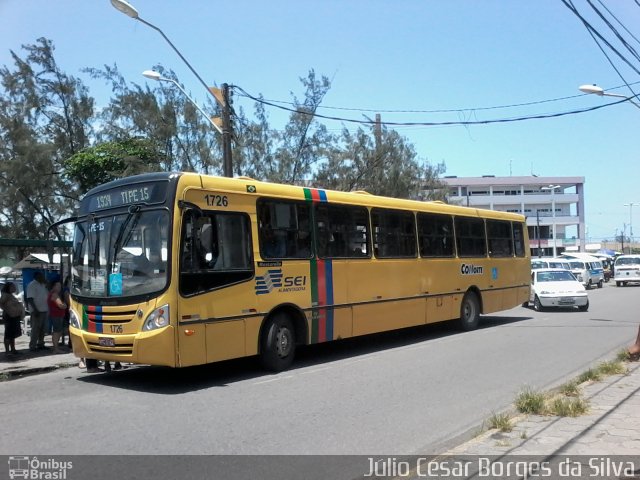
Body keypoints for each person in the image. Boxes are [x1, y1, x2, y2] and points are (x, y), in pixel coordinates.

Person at [26, 272, 49, 351]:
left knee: (43, 329)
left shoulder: (43, 285)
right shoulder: (32, 285)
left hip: (44, 310)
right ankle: (32, 346)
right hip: (37, 311)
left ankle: (41, 344)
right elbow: (30, 298)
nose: (43, 277)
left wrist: (47, 284)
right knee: (35, 329)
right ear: (37, 276)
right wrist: (35, 310)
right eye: (42, 276)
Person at [1, 282, 25, 355]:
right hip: (9, 316)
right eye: (12, 287)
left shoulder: (11, 295)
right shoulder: (5, 295)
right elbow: (1, 303)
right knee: (8, 333)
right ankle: (7, 351)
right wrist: (7, 310)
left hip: (15, 316)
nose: (14, 288)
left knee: (13, 334)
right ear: (8, 288)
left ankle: (13, 349)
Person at [47, 281, 67, 354]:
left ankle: (56, 347)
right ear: (54, 286)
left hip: (55, 315)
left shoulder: (50, 293)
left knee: (57, 331)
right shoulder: (55, 295)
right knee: (57, 332)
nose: (59, 288)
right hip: (57, 316)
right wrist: (65, 305)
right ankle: (56, 348)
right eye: (58, 286)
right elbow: (61, 305)